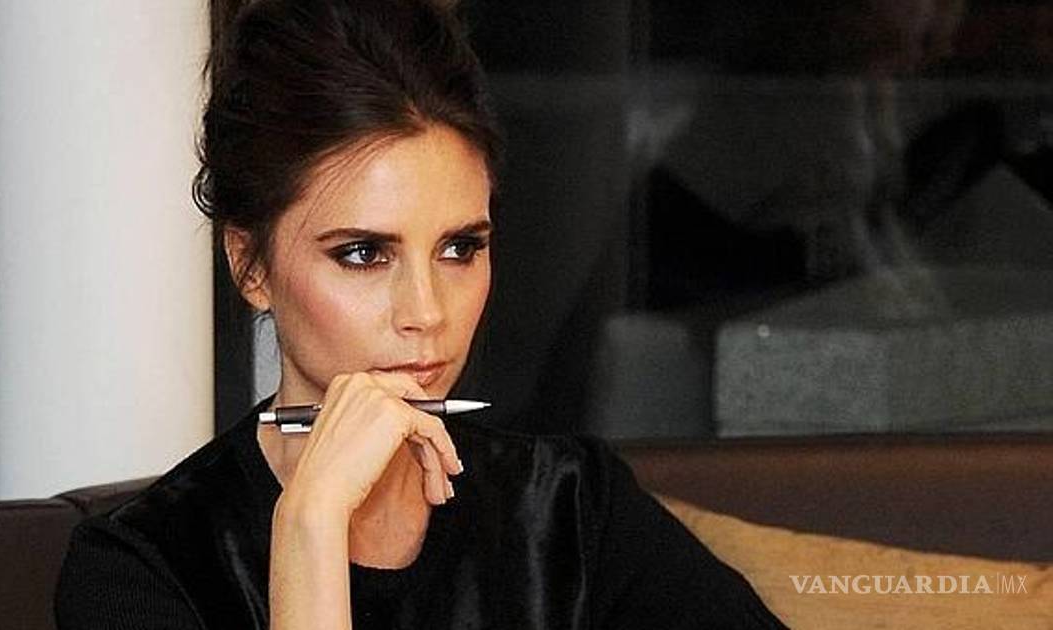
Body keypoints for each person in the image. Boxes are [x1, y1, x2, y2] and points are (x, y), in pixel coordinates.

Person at [55, 0, 785, 627]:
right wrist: (310, 528)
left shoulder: (568, 511)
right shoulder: (143, 568)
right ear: (250, 266)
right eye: (363, 254)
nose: (426, 312)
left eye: (460, 248)